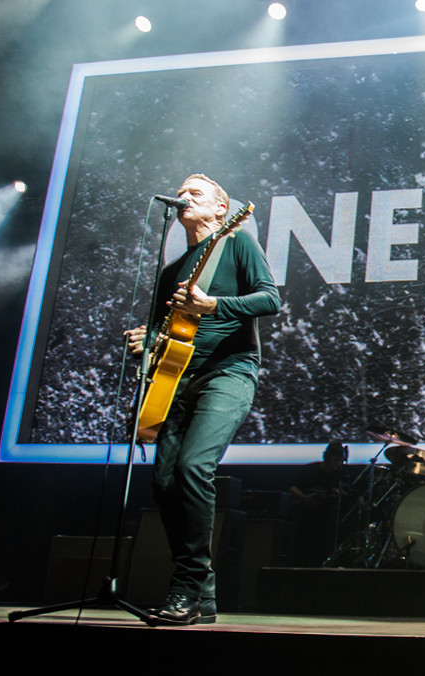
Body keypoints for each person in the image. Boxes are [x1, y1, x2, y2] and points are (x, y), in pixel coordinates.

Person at [126, 174, 280, 626]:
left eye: (196, 192)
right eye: (182, 192)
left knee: (195, 467)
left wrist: (213, 305)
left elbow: (270, 298)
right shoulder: (172, 270)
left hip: (229, 372)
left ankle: (185, 586)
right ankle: (202, 593)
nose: (184, 197)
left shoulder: (237, 242)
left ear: (219, 207)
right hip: (175, 379)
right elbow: (164, 329)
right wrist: (146, 339)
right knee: (163, 481)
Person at [289, 442, 349, 566]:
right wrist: (304, 498)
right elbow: (291, 487)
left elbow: (349, 493)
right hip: (306, 514)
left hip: (329, 517)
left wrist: (339, 492)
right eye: (335, 460)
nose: (338, 463)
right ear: (326, 457)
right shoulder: (309, 470)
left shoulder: (342, 475)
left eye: (341, 460)